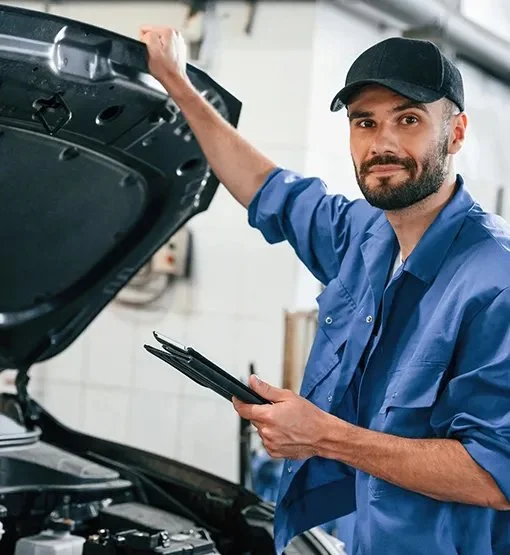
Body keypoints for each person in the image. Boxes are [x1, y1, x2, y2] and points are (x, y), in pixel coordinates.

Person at [139, 27, 510, 555]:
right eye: (365, 122)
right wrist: (176, 83)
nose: (381, 143)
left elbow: (497, 476)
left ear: (456, 132)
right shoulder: (365, 234)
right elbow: (266, 188)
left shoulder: (496, 279)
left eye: (408, 119)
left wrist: (322, 436)